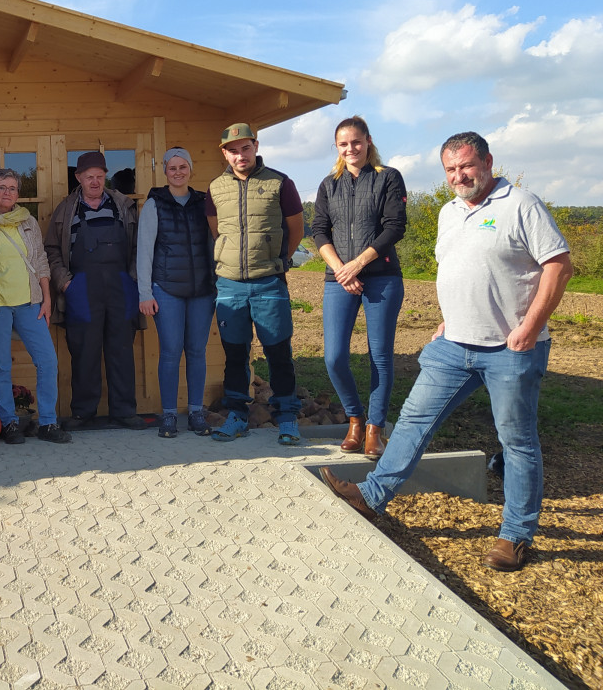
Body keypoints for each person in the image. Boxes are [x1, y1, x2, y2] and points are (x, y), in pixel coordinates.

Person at [322, 131, 572, 571]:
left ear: (488, 162)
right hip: (454, 344)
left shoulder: (522, 204)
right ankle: (372, 496)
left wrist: (530, 327)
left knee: (516, 441)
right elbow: (458, 271)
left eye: (467, 166)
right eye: (451, 170)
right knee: (415, 421)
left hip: (511, 349)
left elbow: (558, 265)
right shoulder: (448, 212)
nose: (460, 176)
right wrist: (446, 318)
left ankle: (515, 535)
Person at [311, 116, 407, 459]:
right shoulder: (328, 184)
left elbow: (395, 227)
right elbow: (319, 230)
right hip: (339, 278)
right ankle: (355, 418)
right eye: (343, 144)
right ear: (337, 148)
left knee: (379, 356)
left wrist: (358, 263)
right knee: (334, 356)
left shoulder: (388, 178)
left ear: (368, 141)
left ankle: (374, 431)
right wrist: (341, 270)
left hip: (381, 276)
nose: (350, 149)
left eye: (356, 142)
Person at [206, 123, 305, 445]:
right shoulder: (215, 188)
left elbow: (296, 230)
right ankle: (237, 414)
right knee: (235, 354)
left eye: (245, 148)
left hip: (268, 283)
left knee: (278, 352)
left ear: (256, 146)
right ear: (225, 153)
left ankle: (287, 417)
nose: (240, 155)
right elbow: (217, 232)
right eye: (233, 150)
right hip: (230, 285)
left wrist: (277, 262)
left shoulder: (280, 183)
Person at [0, 168, 72, 445]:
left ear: (18, 193)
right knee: (1, 365)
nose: (7, 193)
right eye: (2, 187)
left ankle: (48, 423)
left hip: (30, 303)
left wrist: (47, 298)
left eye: (12, 188)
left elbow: (40, 261)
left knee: (48, 361)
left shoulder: (28, 222)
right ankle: (8, 423)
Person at [46, 151, 143, 430]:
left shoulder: (123, 206)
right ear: (78, 178)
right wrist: (65, 282)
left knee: (122, 350)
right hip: (81, 289)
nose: (95, 182)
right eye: (89, 177)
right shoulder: (66, 210)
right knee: (84, 352)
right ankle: (83, 413)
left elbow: (138, 246)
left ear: (105, 177)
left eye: (100, 176)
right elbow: (51, 250)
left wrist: (133, 279)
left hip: (121, 287)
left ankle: (124, 411)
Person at [137, 148, 216, 439]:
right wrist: (145, 292)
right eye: (173, 168)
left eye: (183, 167)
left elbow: (213, 245)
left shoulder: (203, 203)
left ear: (191, 170)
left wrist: (218, 284)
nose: (178, 172)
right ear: (166, 172)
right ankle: (169, 415)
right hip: (167, 289)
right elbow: (144, 251)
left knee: (196, 351)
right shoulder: (155, 204)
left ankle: (196, 412)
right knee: (170, 353)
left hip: (201, 291)